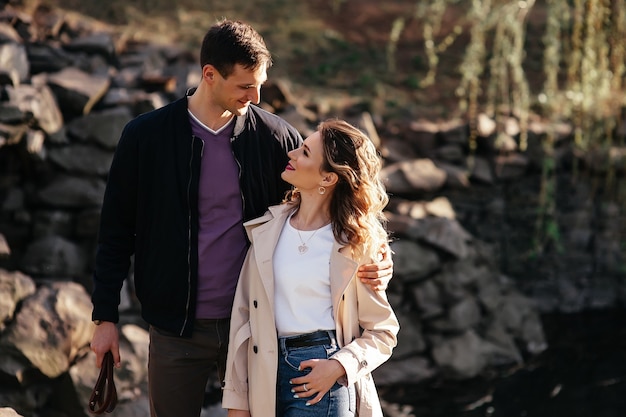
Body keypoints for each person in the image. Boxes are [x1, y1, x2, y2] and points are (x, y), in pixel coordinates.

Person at [89, 19, 394, 417]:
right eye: (245, 86)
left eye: (260, 84)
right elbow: (114, 232)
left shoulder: (275, 138)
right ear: (209, 75)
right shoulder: (145, 138)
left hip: (255, 327)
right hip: (175, 328)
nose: (256, 95)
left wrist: (378, 258)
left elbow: (331, 195)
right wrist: (105, 317)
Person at [222, 119, 400, 417]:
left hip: (322, 376)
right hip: (265, 370)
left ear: (328, 179)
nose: (291, 154)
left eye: (304, 153)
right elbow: (243, 320)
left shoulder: (356, 244)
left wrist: (338, 366)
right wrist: (238, 401)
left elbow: (383, 331)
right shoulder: (266, 230)